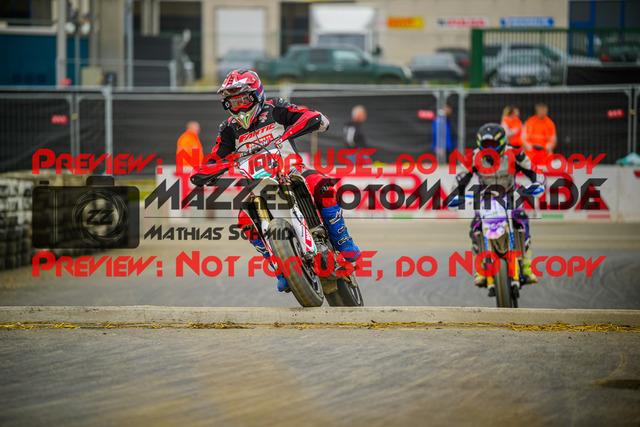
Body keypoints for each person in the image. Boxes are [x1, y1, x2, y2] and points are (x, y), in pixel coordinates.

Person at [198, 69, 361, 292]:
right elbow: (216, 155)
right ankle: (280, 268)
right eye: (233, 103)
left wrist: (306, 123)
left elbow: (313, 117)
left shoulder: (276, 109)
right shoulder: (228, 129)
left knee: (321, 184)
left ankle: (342, 241)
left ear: (256, 95)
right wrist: (206, 170)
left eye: (244, 100)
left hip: (292, 170)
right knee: (244, 219)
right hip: (258, 185)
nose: (240, 107)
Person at [449, 123, 545, 294]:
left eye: (492, 145)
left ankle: (525, 264)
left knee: (522, 220)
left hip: (511, 195)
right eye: (485, 145)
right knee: (475, 226)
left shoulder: (515, 154)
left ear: (502, 143)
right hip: (485, 197)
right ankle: (481, 266)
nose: (489, 149)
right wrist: (455, 196)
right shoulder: (473, 157)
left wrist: (538, 184)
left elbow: (534, 171)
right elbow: (460, 180)